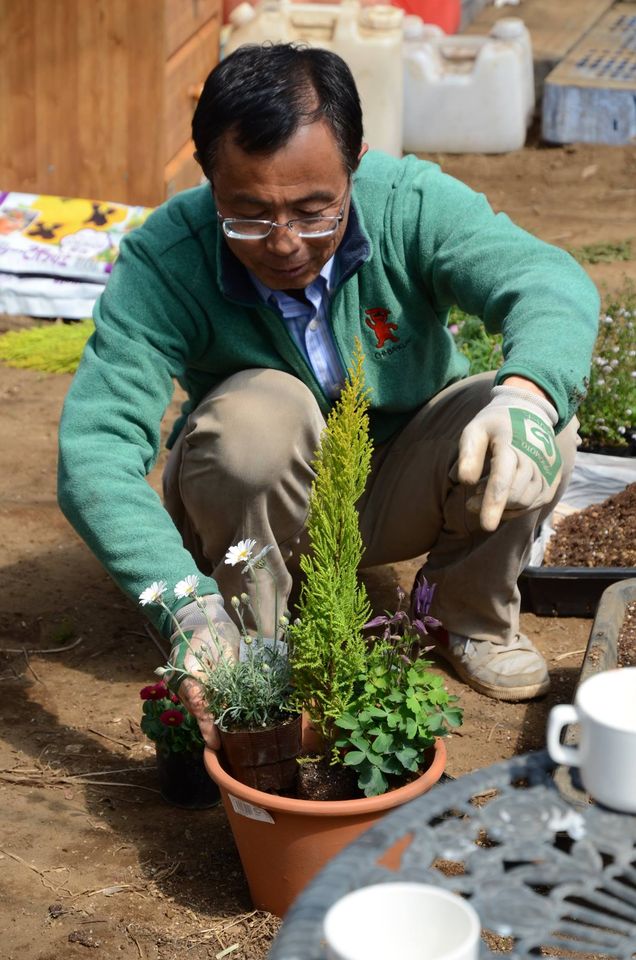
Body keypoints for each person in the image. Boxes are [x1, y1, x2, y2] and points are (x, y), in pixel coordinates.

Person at [58, 43, 600, 746]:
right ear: (209, 179)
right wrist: (184, 607)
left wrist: (526, 394)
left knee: (541, 429)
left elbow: (546, 281)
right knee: (259, 417)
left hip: (394, 485)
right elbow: (94, 447)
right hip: (251, 499)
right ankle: (257, 642)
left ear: (356, 161)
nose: (283, 243)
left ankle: (467, 615)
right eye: (248, 216)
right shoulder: (169, 256)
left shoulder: (409, 201)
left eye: (316, 212)